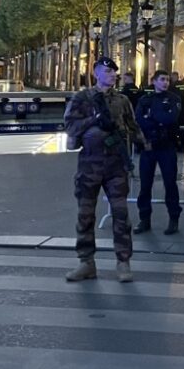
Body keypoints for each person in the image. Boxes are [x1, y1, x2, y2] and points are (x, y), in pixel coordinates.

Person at [62, 56, 146, 284]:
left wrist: (145, 145)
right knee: (85, 215)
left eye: (114, 72)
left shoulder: (122, 100)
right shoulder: (82, 98)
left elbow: (133, 126)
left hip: (115, 165)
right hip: (90, 163)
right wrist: (94, 119)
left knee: (121, 215)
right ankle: (86, 262)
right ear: (96, 73)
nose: (112, 76)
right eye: (107, 72)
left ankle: (123, 261)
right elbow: (70, 126)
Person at [134, 70, 184, 235]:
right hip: (148, 146)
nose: (165, 83)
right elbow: (139, 119)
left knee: (170, 184)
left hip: (166, 146)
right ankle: (144, 219)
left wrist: (152, 116)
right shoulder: (145, 99)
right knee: (145, 185)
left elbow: (170, 119)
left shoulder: (174, 98)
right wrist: (158, 119)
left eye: (167, 80)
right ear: (154, 81)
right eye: (162, 79)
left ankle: (173, 218)